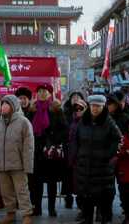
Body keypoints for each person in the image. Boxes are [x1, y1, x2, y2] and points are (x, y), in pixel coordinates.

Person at [0, 95, 35, 224]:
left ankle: (27, 214)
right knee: (6, 192)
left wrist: (28, 165)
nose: (3, 107)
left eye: (6, 104)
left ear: (13, 107)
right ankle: (10, 213)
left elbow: (28, 146)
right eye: (2, 104)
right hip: (1, 165)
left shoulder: (24, 122)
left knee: (22, 191)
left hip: (18, 164)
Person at [76, 95, 122, 224]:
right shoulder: (83, 121)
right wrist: (78, 154)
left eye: (98, 106)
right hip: (84, 168)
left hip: (102, 169)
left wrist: (108, 155)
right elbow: (76, 138)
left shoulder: (109, 122)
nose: (95, 108)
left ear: (103, 107)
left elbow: (118, 140)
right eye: (93, 105)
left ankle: (104, 217)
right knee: (87, 201)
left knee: (103, 201)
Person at [29, 84, 66, 217]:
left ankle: (51, 208)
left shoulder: (56, 109)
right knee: (36, 182)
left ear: (50, 94)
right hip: (36, 151)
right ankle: (37, 208)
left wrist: (52, 140)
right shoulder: (32, 109)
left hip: (51, 151)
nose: (42, 93)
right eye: (39, 91)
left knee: (51, 181)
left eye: (45, 91)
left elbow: (64, 129)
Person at [63, 91, 87, 210]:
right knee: (68, 178)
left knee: (79, 179)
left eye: (78, 97)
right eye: (73, 97)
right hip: (68, 151)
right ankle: (68, 198)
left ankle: (80, 201)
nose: (76, 99)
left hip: (81, 153)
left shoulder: (86, 116)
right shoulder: (65, 113)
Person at [67, 99, 88, 221]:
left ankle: (88, 210)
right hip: (75, 160)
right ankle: (82, 210)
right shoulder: (73, 122)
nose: (78, 111)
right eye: (76, 109)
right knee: (78, 187)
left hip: (85, 159)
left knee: (87, 187)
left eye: (81, 109)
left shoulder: (88, 122)